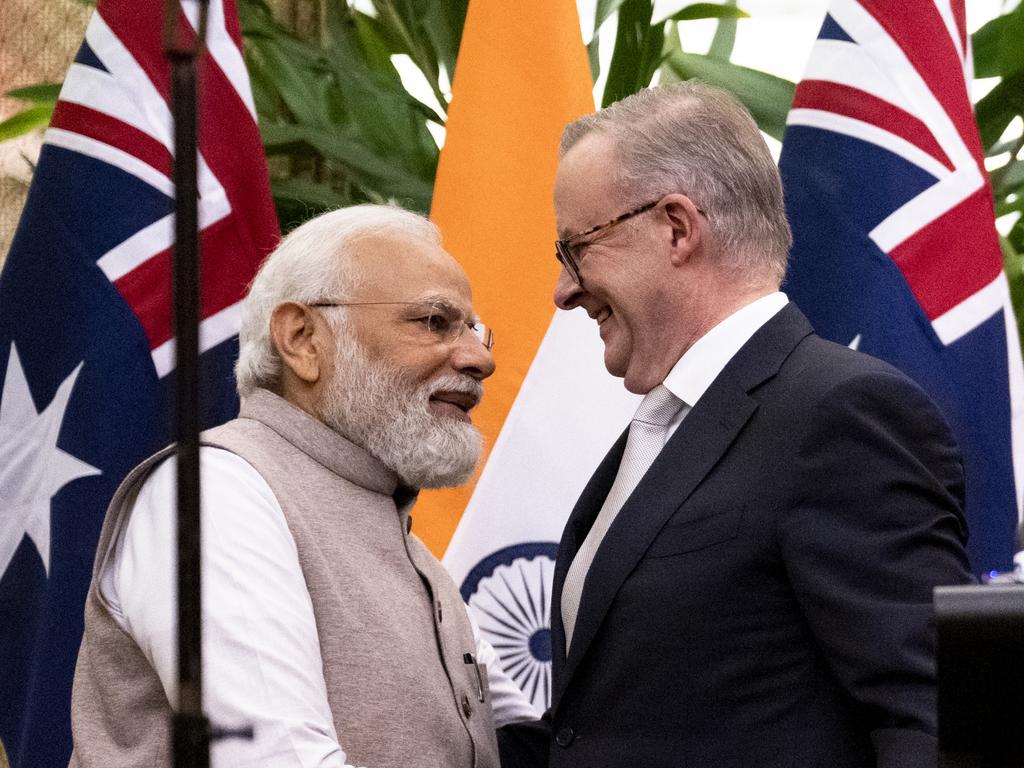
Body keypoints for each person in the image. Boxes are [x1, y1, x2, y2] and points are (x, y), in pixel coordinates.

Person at [498, 83, 974, 768]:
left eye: (576, 248)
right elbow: (604, 729)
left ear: (677, 227)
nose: (564, 289)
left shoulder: (840, 415)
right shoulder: (661, 429)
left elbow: (930, 718)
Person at [69, 205, 535, 767]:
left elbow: (522, 740)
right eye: (435, 322)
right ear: (302, 339)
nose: (479, 358)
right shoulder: (213, 493)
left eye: (474, 330)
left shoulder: (408, 550)